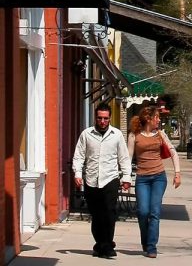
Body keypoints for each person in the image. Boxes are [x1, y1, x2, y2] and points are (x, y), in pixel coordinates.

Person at [72, 102, 132, 259]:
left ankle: (107, 245)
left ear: (110, 118)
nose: (103, 121)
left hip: (110, 178)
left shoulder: (117, 135)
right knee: (96, 214)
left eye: (106, 118)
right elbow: (79, 155)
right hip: (91, 179)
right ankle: (100, 244)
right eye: (100, 118)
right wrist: (78, 174)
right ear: (95, 118)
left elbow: (124, 158)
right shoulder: (86, 134)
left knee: (109, 212)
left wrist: (126, 177)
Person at [127, 106, 181, 258]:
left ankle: (151, 246)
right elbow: (128, 158)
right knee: (143, 212)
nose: (159, 120)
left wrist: (177, 173)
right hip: (142, 178)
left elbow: (173, 153)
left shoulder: (161, 134)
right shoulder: (134, 135)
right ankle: (145, 240)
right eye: (156, 117)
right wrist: (125, 178)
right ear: (148, 119)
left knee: (154, 212)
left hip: (159, 177)